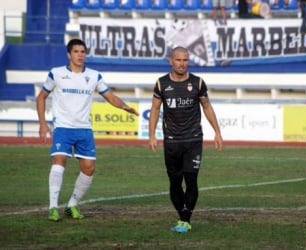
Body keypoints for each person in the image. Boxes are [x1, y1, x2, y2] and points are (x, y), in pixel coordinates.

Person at [36, 38, 139, 221]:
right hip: (63, 127)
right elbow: (41, 97)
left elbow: (109, 96)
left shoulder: (94, 75)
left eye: (83, 51)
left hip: (84, 129)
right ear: (69, 54)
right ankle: (53, 207)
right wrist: (43, 123)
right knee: (59, 160)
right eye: (76, 51)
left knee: (89, 168)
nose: (80, 55)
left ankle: (72, 205)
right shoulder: (56, 73)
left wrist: (124, 106)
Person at [148, 47, 223, 233]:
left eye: (185, 60)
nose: (182, 63)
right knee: (174, 182)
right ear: (171, 61)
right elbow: (155, 109)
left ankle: (185, 219)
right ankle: (182, 215)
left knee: (191, 179)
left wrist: (217, 132)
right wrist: (152, 135)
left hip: (193, 139)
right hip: (172, 141)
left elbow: (206, 106)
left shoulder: (197, 83)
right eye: (178, 60)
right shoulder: (161, 83)